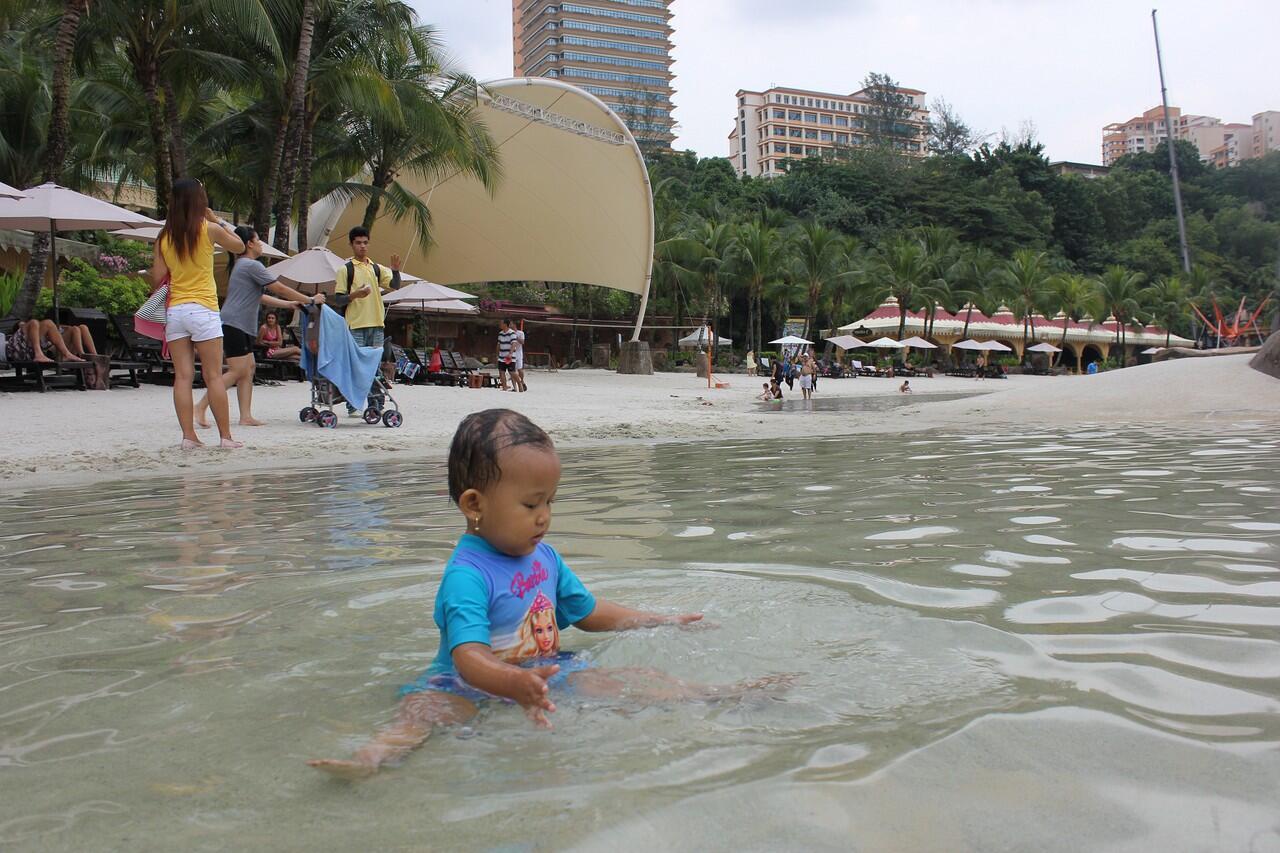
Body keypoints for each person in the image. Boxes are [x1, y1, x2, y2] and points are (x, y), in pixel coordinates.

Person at [307, 409, 790, 780]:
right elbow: (469, 655)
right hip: (462, 683)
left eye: (550, 502)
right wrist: (510, 683)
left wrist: (656, 619)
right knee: (419, 714)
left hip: (548, 674)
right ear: (474, 505)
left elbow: (589, 611)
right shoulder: (466, 576)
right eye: (531, 504)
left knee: (635, 678)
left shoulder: (545, 557)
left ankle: (718, 697)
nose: (544, 517)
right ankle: (369, 759)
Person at [151, 178, 245, 450]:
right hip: (203, 308)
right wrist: (217, 218)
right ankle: (225, 438)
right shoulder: (209, 229)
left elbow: (157, 277)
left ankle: (188, 437)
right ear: (199, 200)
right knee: (213, 375)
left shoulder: (163, 236)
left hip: (176, 311)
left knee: (182, 376)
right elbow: (240, 245)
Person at [194, 226, 319, 428]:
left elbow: (259, 296)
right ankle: (200, 407)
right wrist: (310, 299)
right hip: (235, 323)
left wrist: (289, 304)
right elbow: (278, 287)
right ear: (250, 244)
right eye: (258, 240)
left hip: (241, 324)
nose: (261, 244)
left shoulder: (243, 265)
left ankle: (245, 416)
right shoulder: (251, 265)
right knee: (237, 370)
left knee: (248, 368)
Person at [334, 226, 401, 415]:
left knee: (375, 367)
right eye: (358, 243)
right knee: (356, 367)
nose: (362, 246)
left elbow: (395, 285)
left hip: (377, 324)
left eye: (365, 242)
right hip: (355, 325)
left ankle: (376, 404)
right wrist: (356, 294)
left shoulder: (376, 268)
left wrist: (395, 271)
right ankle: (353, 404)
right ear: (351, 244)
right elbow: (338, 298)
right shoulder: (345, 269)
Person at [4, 318, 84, 364]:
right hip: (16, 351)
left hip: (28, 351)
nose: (24, 325)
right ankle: (67, 354)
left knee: (41, 323)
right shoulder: (15, 338)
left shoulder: (37, 337)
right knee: (35, 322)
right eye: (22, 325)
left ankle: (69, 354)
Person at [496, 318, 517, 391]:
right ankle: (504, 387)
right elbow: (498, 344)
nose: (500, 324)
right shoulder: (500, 333)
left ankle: (520, 383)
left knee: (512, 372)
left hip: (509, 356)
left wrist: (510, 353)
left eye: (501, 323)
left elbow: (514, 343)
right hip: (501, 355)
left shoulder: (512, 333)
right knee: (501, 371)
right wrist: (497, 354)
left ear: (505, 324)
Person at [511, 322, 528, 392]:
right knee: (511, 370)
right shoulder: (509, 333)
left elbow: (522, 342)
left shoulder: (520, 333)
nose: (510, 325)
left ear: (514, 325)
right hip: (511, 353)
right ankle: (514, 387)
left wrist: (516, 337)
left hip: (518, 353)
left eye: (511, 324)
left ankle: (522, 381)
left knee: (519, 369)